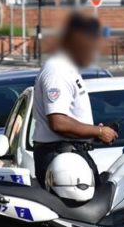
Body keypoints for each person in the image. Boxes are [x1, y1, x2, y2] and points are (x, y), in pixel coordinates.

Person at [32, 13, 118, 184]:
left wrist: (93, 131)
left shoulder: (67, 69)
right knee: (77, 209)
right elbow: (58, 122)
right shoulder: (58, 71)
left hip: (69, 153)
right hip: (61, 156)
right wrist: (99, 131)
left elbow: (68, 116)